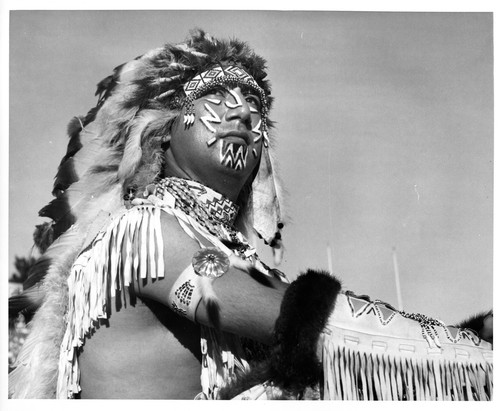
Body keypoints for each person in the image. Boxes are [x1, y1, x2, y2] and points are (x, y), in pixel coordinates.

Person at [9, 29, 493, 400]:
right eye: (217, 98)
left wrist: (469, 341)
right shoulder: (142, 234)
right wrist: (473, 349)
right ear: (162, 131)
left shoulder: (225, 253)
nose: (241, 114)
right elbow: (320, 327)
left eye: (254, 107)